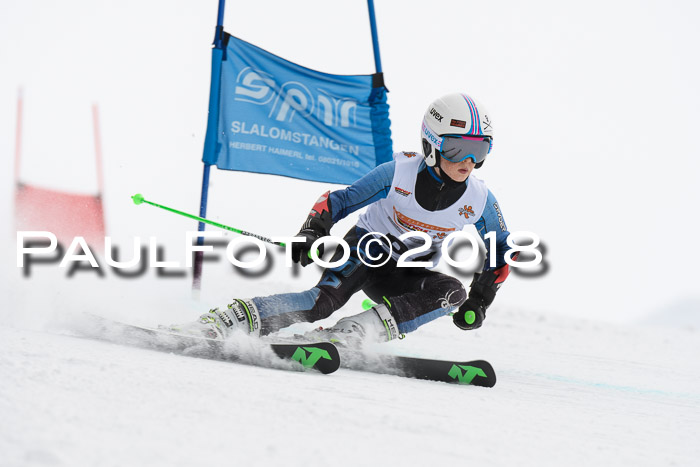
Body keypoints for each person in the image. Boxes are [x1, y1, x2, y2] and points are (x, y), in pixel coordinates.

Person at [169, 93, 515, 347]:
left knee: (450, 292)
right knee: (320, 304)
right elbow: (338, 201)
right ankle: (229, 320)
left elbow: (501, 249)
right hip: (366, 249)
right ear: (432, 144)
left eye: (480, 150)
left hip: (405, 272)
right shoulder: (397, 173)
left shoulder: (480, 200)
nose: (468, 161)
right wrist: (312, 230)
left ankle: (353, 333)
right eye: (457, 148)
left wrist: (480, 298)